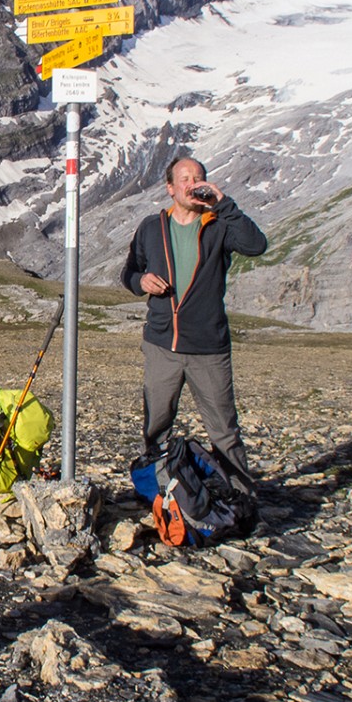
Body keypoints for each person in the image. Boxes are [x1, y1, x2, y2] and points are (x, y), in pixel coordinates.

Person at [122, 156, 267, 489]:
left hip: (208, 348)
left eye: (198, 178)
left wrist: (224, 204)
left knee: (224, 431)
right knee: (156, 427)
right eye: (184, 179)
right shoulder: (151, 227)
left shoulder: (218, 225)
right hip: (162, 346)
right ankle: (158, 494)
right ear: (170, 188)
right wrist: (141, 282)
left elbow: (256, 246)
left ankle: (240, 498)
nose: (193, 184)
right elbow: (129, 273)